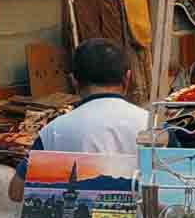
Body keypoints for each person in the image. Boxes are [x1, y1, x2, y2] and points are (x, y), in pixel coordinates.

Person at [8, 39, 150, 202]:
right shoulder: (151, 125)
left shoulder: (54, 130)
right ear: (128, 78)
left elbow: (16, 192)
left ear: (74, 81)